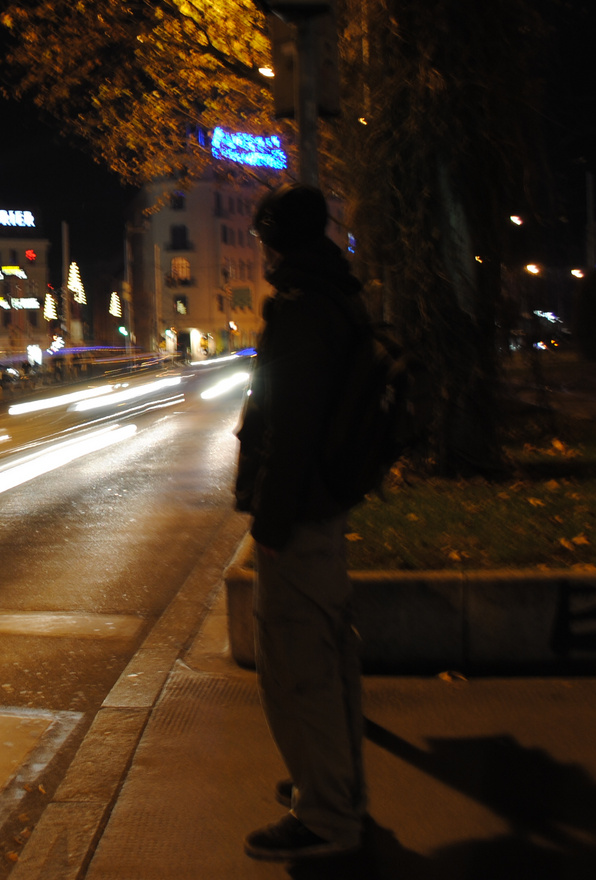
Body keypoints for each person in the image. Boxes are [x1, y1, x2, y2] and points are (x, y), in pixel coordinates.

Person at [234, 182, 369, 861]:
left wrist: (271, 525)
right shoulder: (338, 293)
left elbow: (287, 429)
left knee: (296, 668)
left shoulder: (299, 309)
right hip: (325, 503)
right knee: (327, 659)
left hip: (300, 513)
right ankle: (333, 791)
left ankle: (325, 818)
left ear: (272, 240)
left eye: (260, 240)